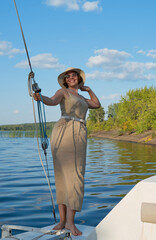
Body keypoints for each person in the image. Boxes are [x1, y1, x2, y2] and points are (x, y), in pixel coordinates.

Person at [33, 67, 101, 236]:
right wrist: (40, 97)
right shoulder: (63, 92)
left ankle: (71, 222)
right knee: (62, 176)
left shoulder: (83, 97)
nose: (71, 77)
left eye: (74, 75)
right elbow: (52, 100)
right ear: (64, 80)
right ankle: (63, 221)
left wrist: (89, 90)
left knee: (76, 177)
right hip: (63, 132)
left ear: (79, 78)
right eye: (68, 76)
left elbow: (97, 104)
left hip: (78, 133)